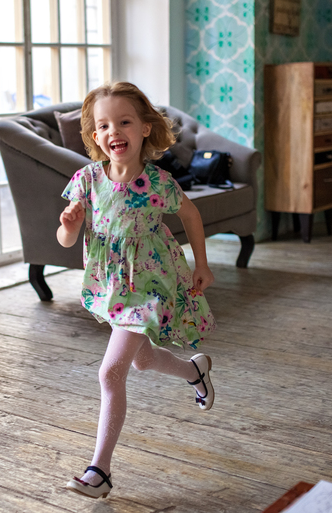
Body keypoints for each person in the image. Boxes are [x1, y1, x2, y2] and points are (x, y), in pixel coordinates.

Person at [57, 82, 217, 500]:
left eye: (124, 121)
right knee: (143, 361)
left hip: (149, 285)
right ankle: (194, 371)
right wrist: (70, 225)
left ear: (145, 128)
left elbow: (192, 215)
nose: (114, 131)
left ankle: (100, 471)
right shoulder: (87, 180)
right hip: (111, 287)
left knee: (110, 372)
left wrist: (201, 264)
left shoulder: (158, 183)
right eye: (104, 125)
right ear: (96, 136)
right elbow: (65, 239)